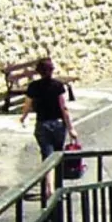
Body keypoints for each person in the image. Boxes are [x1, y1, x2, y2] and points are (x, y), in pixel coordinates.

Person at [19, 57, 76, 197]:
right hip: (58, 124)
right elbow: (64, 108)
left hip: (42, 124)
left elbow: (27, 104)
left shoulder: (33, 87)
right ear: (52, 70)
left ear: (38, 72)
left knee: (47, 156)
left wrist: (23, 117)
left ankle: (49, 188)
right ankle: (57, 188)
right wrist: (71, 128)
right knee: (58, 155)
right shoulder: (58, 86)